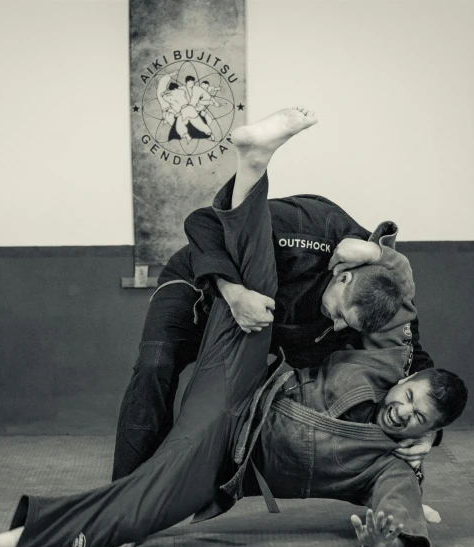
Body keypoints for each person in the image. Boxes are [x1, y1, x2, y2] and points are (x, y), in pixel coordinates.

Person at [0, 107, 467, 547]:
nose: (406, 411)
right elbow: (212, 227)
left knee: (156, 498)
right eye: (411, 398)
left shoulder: (393, 452)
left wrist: (398, 526)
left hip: (230, 438)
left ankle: (2, 544)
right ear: (343, 274)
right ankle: (253, 163)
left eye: (419, 418)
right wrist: (378, 252)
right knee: (170, 354)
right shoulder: (323, 233)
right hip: (213, 290)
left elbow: (414, 375)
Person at [112, 111, 435, 485]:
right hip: (201, 287)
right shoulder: (315, 227)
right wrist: (232, 293)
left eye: (349, 325)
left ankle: (164, 482)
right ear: (343, 275)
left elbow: (413, 363)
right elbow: (202, 221)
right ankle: (122, 489)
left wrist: (428, 429)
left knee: (229, 409)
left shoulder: (380, 293)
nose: (338, 326)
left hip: (269, 327)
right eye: (342, 314)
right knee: (155, 367)